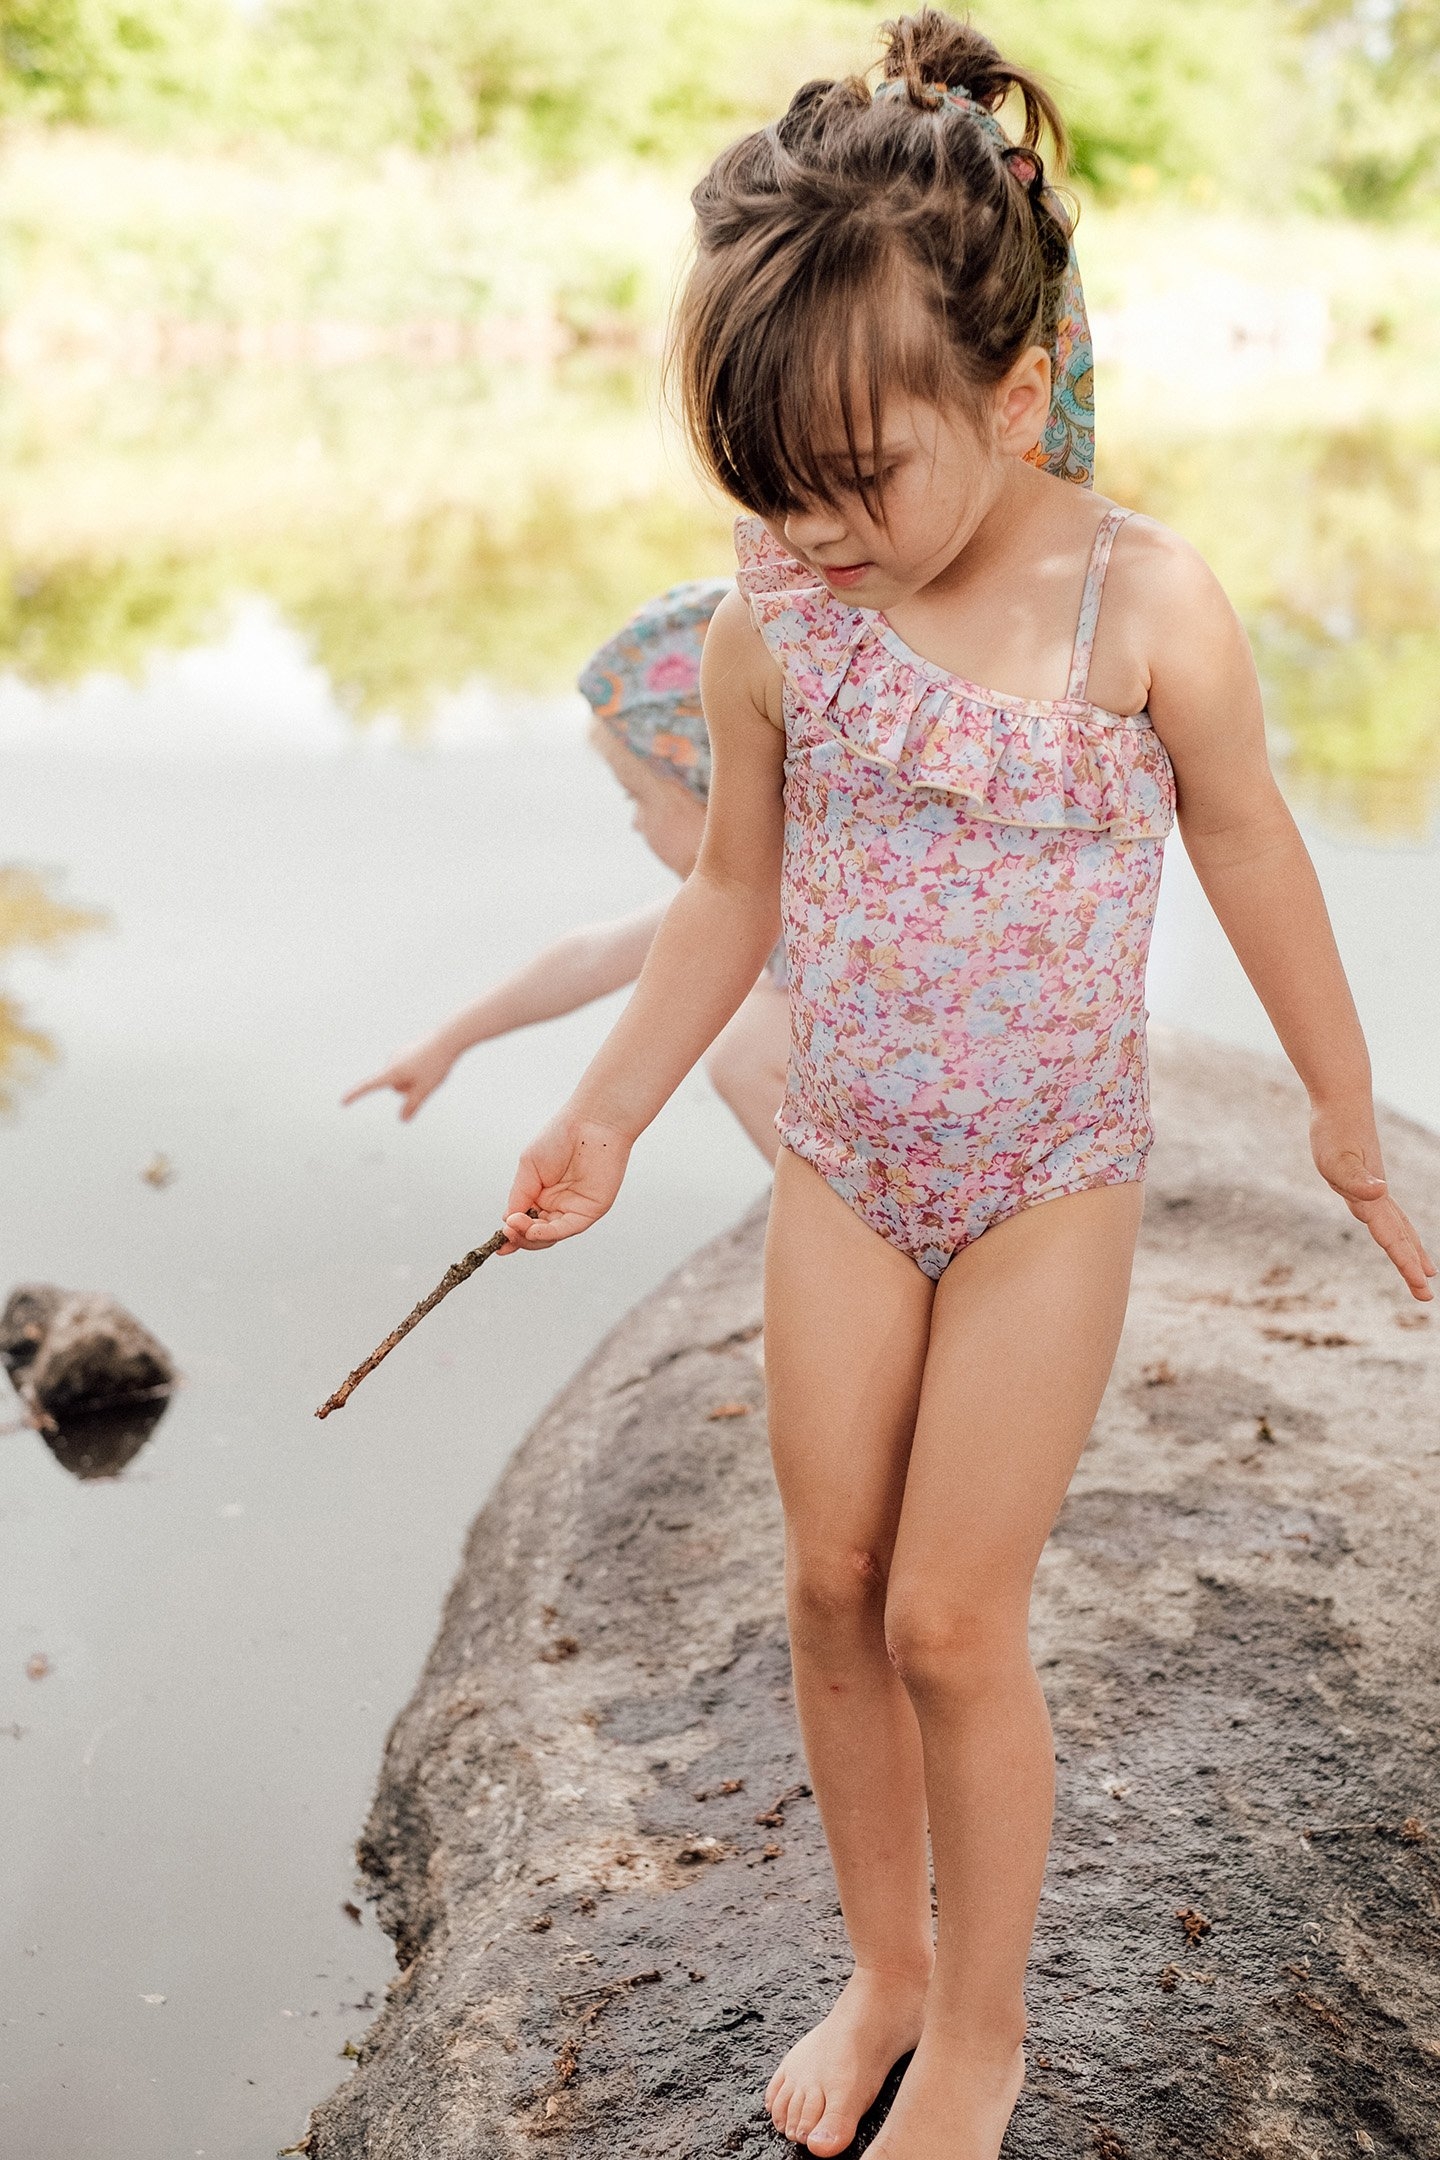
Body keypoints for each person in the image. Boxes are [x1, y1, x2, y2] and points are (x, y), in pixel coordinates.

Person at [494, 11, 1436, 2158]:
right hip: (847, 1157)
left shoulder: (1145, 605)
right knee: (824, 1581)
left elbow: (1258, 846)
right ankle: (888, 1970)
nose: (814, 530)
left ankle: (987, 2032)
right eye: (768, 488)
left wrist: (1346, 1111)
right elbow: (733, 892)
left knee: (945, 1609)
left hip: (1045, 1183)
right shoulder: (772, 624)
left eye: (858, 478)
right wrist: (617, 1107)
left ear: (1013, 397)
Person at [342, 584, 789, 1160]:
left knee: (744, 1053)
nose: (634, 824)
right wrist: (448, 1041)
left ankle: (850, 1238)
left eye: (638, 799)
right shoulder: (736, 901)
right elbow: (590, 957)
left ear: (711, 783)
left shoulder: (803, 893)